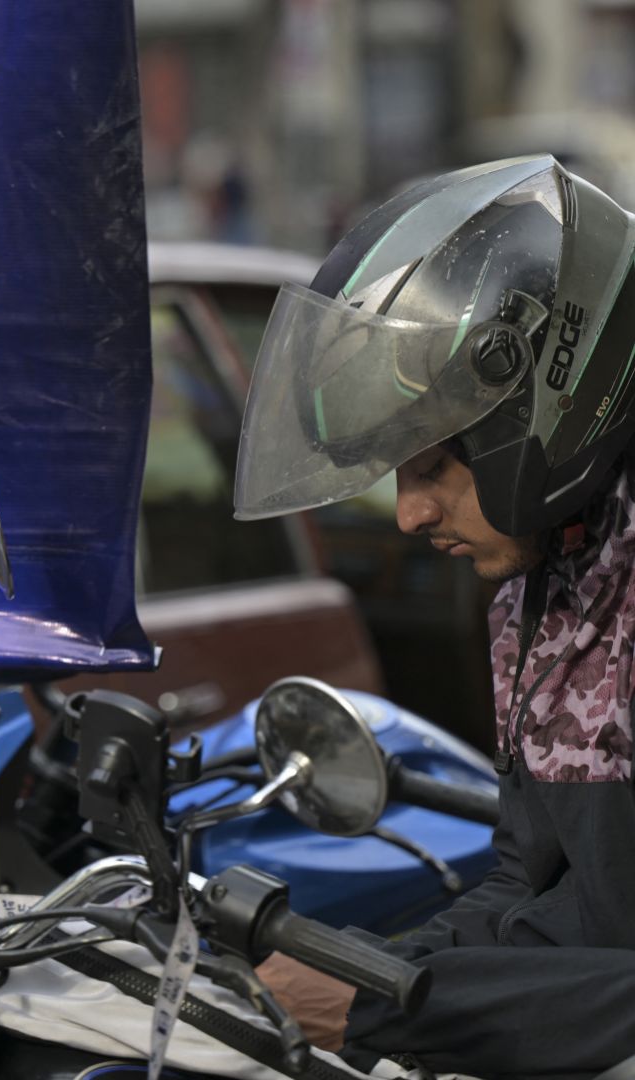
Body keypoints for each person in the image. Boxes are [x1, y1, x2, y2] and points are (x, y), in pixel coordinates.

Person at [238, 155, 635, 1079]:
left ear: (540, 418)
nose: (410, 516)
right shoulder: (548, 591)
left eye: (429, 469)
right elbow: (533, 889)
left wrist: (388, 1011)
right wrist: (359, 968)